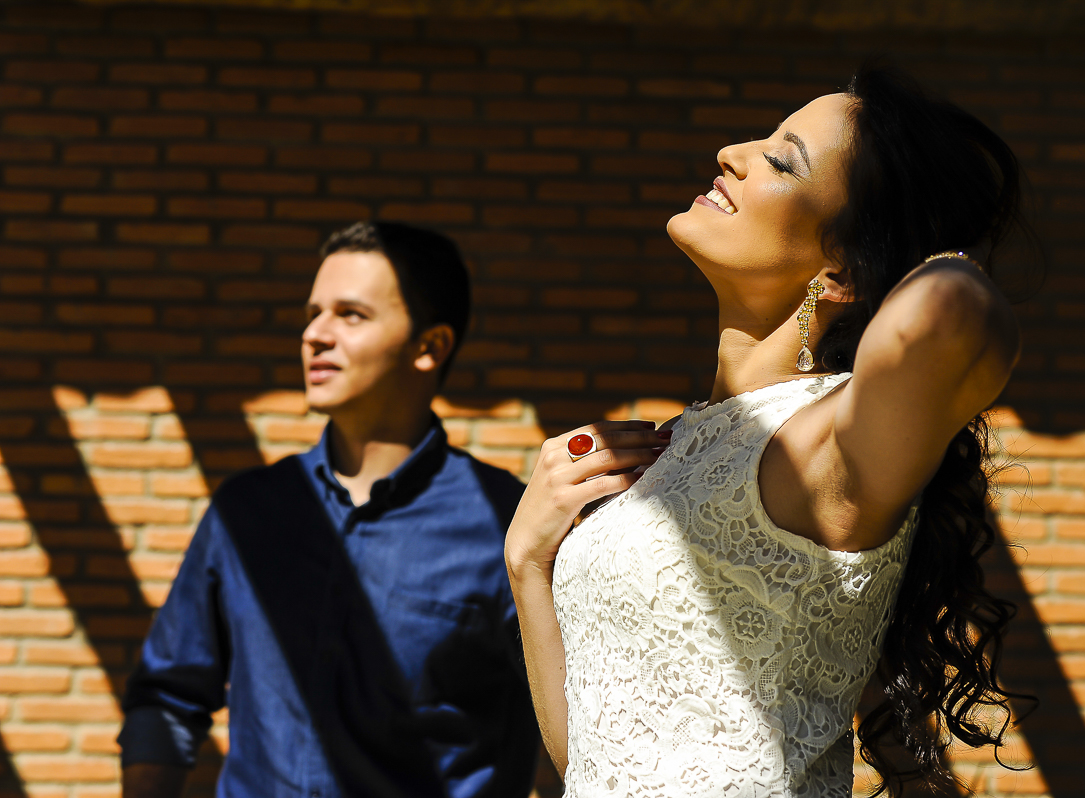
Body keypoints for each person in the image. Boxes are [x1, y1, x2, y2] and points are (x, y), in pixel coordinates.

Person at [505, 65, 1032, 797]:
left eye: (782, 161)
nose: (731, 153)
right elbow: (596, 763)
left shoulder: (826, 445)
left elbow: (954, 318)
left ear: (841, 273)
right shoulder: (674, 445)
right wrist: (527, 563)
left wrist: (930, 251)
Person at [119, 221, 541, 798]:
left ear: (430, 347)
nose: (315, 335)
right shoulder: (248, 511)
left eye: (351, 315)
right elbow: (166, 695)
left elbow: (577, 723)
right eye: (313, 313)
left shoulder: (510, 526)